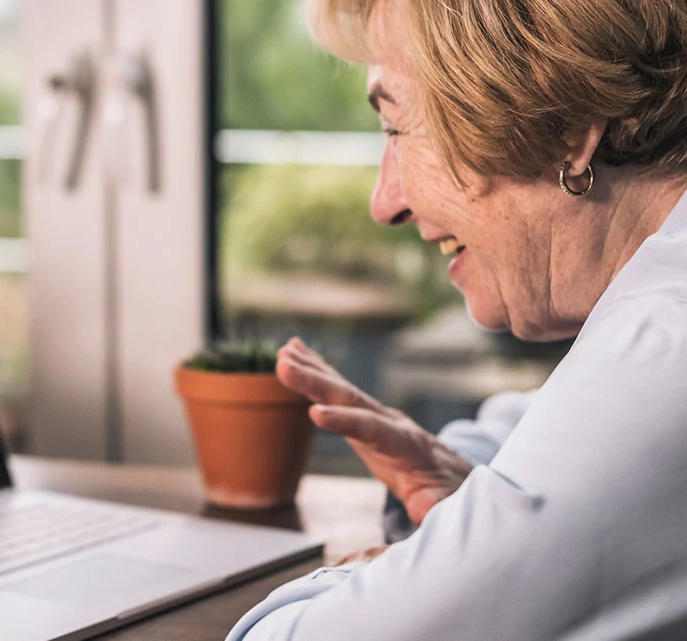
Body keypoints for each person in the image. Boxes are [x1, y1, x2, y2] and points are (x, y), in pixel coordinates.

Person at [227, 0, 687, 638]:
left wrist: (407, 570)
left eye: (396, 128)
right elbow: (538, 424)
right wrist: (476, 504)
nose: (385, 203)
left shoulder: (663, 359)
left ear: (565, 125)